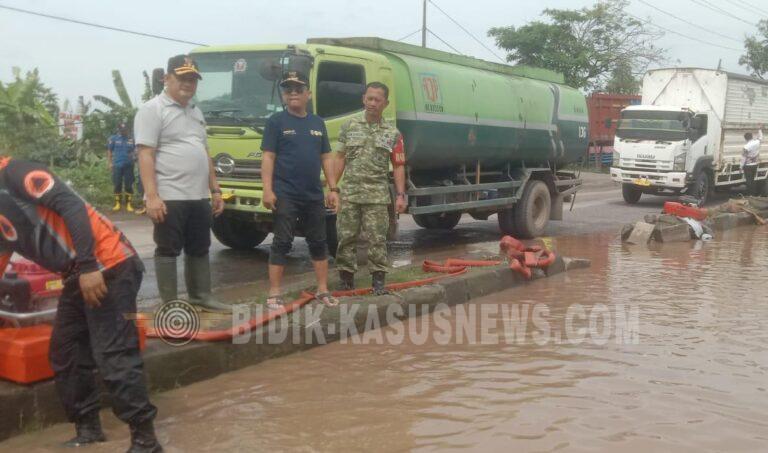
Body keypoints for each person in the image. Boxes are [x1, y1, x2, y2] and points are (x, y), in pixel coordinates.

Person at [0, 156, 161, 452]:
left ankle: (145, 440)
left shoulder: (13, 173)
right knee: (66, 352)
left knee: (112, 353)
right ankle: (88, 430)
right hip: (77, 274)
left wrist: (88, 266)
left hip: (108, 264)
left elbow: (71, 205)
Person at [134, 55, 230, 312]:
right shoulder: (152, 109)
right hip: (169, 194)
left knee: (200, 246)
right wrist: (152, 196)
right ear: (167, 79)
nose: (188, 83)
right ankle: (170, 303)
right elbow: (145, 154)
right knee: (168, 249)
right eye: (182, 78)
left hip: (198, 196)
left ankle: (201, 296)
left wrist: (215, 190)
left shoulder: (195, 111)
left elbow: (204, 151)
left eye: (192, 79)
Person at [261, 70, 339, 309]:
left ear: (309, 93)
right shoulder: (276, 122)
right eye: (287, 90)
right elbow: (268, 157)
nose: (293, 93)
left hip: (314, 194)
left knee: (318, 241)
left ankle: (323, 290)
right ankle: (274, 294)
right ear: (283, 95)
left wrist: (333, 188)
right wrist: (267, 190)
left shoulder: (317, 123)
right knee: (282, 241)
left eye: (298, 89)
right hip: (285, 193)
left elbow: (326, 157)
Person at [334, 82, 407, 295]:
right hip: (350, 194)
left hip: (377, 196)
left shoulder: (393, 133)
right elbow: (339, 157)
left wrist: (401, 195)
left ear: (386, 103)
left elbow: (399, 165)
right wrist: (333, 188)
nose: (372, 103)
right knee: (346, 237)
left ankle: (378, 283)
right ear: (363, 99)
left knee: (377, 239)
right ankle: (346, 280)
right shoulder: (349, 126)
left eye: (377, 100)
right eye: (369, 98)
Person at [107, 122, 136, 212]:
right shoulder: (114, 138)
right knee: (117, 184)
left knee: (128, 185)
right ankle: (117, 204)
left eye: (125, 130)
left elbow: (136, 150)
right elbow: (109, 151)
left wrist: (134, 156)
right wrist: (110, 163)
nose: (124, 131)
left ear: (127, 129)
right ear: (119, 130)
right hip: (117, 165)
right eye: (122, 130)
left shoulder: (132, 139)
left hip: (129, 165)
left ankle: (128, 204)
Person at [741, 126, 763, 196]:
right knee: (752, 180)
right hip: (755, 164)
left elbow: (743, 158)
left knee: (749, 181)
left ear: (745, 139)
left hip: (747, 166)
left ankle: (750, 195)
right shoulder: (757, 142)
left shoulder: (746, 147)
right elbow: (761, 137)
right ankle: (753, 194)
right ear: (751, 137)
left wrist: (740, 166)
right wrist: (759, 129)